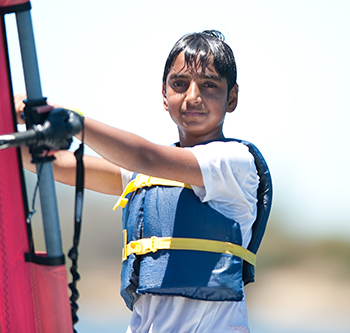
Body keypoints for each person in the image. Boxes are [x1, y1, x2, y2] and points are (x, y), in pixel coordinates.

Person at [16, 30, 269, 333]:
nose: (193, 96)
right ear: (164, 95)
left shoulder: (234, 162)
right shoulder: (146, 174)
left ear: (233, 97)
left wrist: (74, 122)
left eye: (209, 85)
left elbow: (144, 156)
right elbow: (54, 165)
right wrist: (13, 117)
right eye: (179, 84)